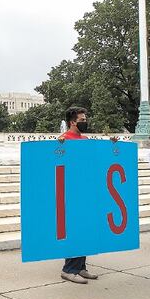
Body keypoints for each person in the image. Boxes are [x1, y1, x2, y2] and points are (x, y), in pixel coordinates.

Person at [57, 107, 99, 284]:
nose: (85, 121)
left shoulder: (85, 139)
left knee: (85, 229)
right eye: (82, 119)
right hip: (71, 192)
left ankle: (81, 267)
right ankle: (69, 269)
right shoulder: (64, 139)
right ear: (73, 122)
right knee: (74, 230)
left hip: (86, 191)